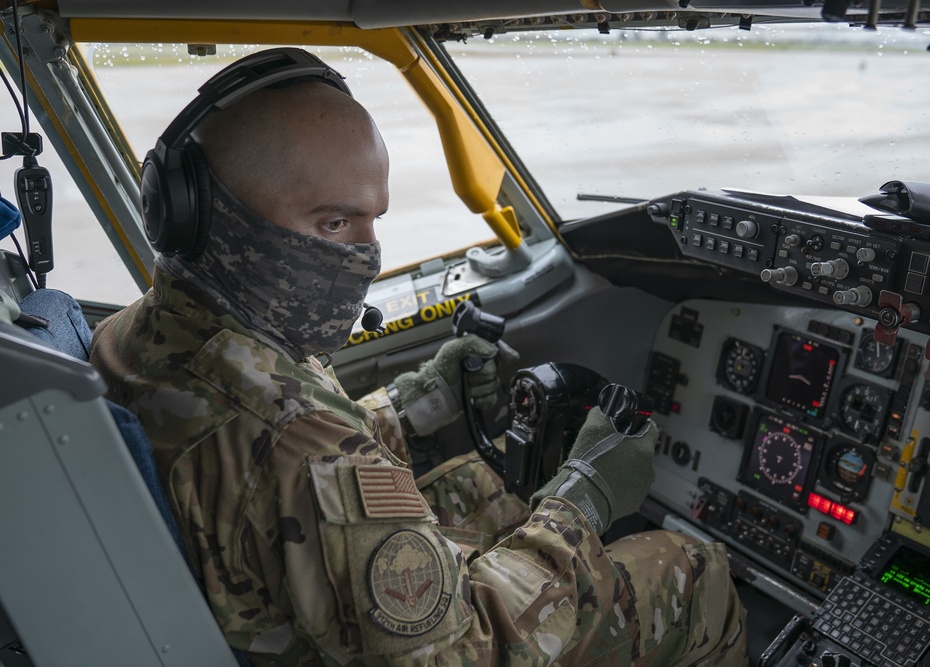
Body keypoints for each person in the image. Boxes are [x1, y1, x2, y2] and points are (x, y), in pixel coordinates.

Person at [90, 48, 748, 665]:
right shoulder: (298, 440)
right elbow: (457, 653)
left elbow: (294, 468)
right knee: (693, 564)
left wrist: (419, 404)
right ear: (203, 214)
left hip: (266, 596)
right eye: (334, 224)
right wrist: (585, 500)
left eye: (374, 221)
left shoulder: (156, 332)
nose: (366, 256)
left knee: (489, 487)